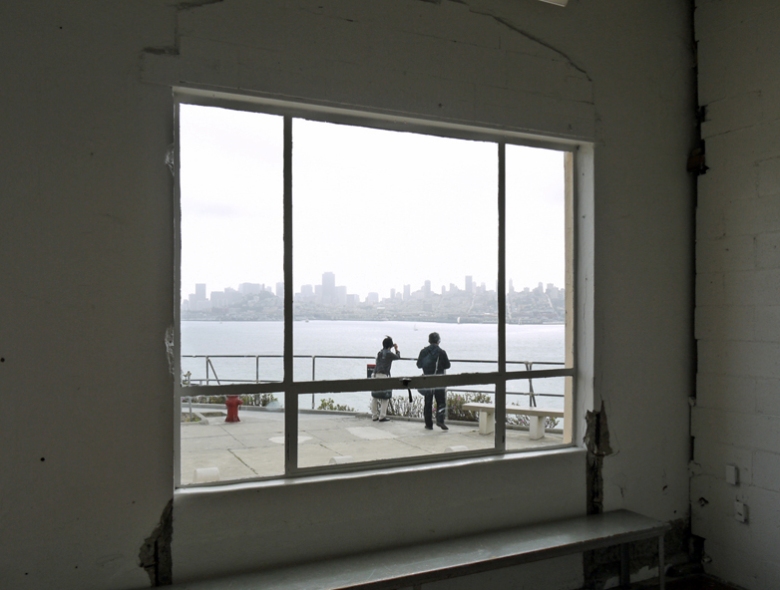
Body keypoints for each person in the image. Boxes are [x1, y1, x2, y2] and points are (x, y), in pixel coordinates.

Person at [416, 332, 451, 430]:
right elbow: (447, 365)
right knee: (441, 401)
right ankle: (440, 420)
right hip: (439, 380)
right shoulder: (442, 352)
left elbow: (419, 365)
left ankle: (428, 424)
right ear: (438, 341)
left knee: (428, 402)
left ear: (429, 340)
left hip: (427, 380)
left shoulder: (423, 351)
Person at [371, 336, 400, 422]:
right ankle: (382, 416)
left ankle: (374, 416)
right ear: (390, 346)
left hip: (375, 374)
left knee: (375, 396)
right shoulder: (389, 354)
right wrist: (396, 349)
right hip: (383, 375)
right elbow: (398, 357)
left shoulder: (379, 353)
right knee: (385, 397)